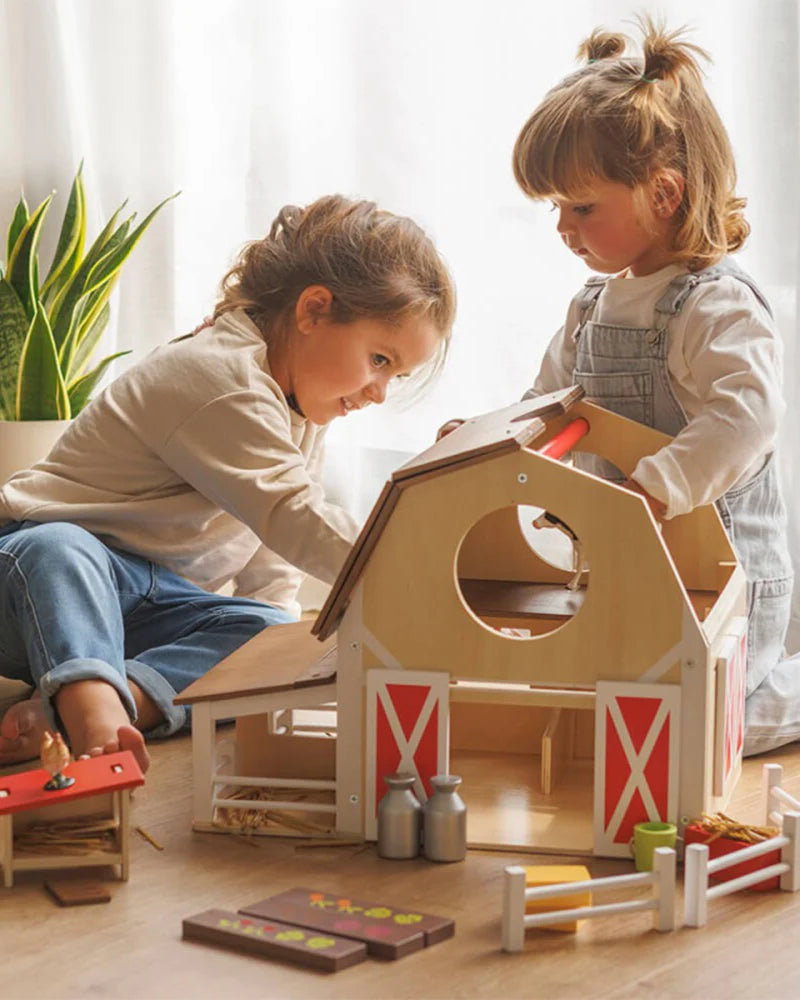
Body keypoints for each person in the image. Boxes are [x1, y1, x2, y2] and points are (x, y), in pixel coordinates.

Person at [0, 194, 456, 773]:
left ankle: (101, 705)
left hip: (148, 609)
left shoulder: (300, 407)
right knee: (60, 547)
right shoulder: (221, 377)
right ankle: (94, 725)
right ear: (314, 311)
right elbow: (292, 514)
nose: (379, 392)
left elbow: (271, 552)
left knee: (278, 632)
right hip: (32, 585)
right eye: (380, 360)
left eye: (397, 375)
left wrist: (270, 655)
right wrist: (417, 571)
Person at [510, 18, 796, 755]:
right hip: (624, 569)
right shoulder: (591, 304)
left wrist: (659, 486)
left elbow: (748, 416)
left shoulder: (713, 305)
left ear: (663, 193)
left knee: (703, 736)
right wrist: (491, 440)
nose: (563, 229)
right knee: (620, 715)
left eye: (582, 208)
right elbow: (547, 404)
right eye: (555, 209)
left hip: (719, 579)